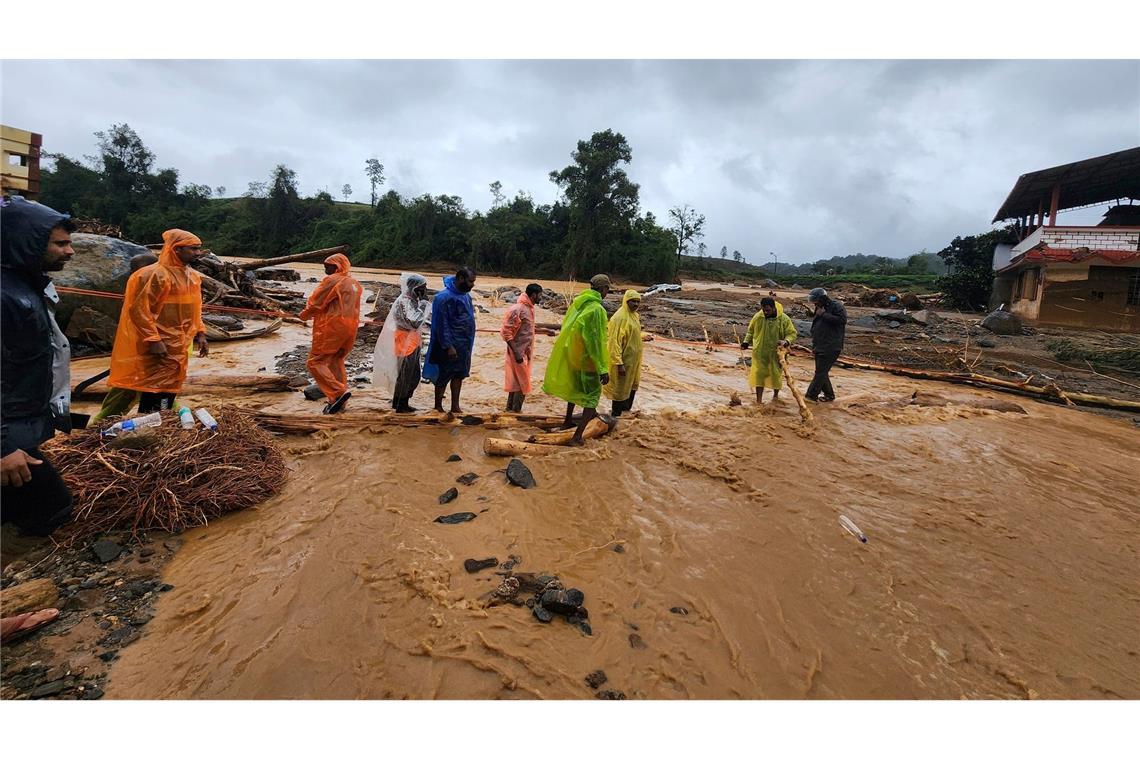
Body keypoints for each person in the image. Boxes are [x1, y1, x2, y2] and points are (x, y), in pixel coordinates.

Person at [1, 196, 77, 536]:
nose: (70, 251)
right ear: (26, 243)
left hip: (19, 427)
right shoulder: (6, 296)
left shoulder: (27, 286)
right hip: (8, 436)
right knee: (52, 507)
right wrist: (3, 448)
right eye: (60, 243)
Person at [106, 229, 208, 415]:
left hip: (178, 345)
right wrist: (153, 339)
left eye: (199, 249)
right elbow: (139, 310)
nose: (198, 253)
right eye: (193, 249)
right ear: (176, 249)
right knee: (146, 389)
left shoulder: (192, 277)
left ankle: (159, 425)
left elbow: (195, 308)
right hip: (154, 346)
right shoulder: (156, 275)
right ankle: (104, 428)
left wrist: (200, 333)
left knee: (168, 389)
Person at [91, 251, 160, 424]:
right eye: (133, 270)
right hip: (135, 357)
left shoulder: (159, 288)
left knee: (157, 394)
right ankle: (90, 430)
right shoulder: (137, 288)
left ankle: (93, 429)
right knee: (124, 396)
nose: (135, 274)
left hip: (151, 356)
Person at [542, 274, 611, 444]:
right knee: (592, 397)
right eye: (607, 289)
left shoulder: (579, 303)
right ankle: (577, 436)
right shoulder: (597, 310)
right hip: (589, 361)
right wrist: (602, 368)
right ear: (603, 289)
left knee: (574, 390)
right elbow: (595, 342)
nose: (607, 292)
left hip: (574, 357)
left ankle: (567, 421)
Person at [300, 253, 362, 414]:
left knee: (315, 362)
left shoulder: (332, 280)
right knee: (336, 360)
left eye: (328, 265)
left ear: (337, 267)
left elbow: (316, 302)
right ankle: (338, 403)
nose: (325, 268)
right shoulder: (355, 283)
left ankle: (338, 392)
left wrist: (303, 315)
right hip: (350, 328)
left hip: (331, 327)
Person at [373, 272, 429, 413]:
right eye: (423, 287)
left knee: (413, 375)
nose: (425, 290)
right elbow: (415, 322)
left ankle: (402, 401)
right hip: (405, 341)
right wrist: (423, 304)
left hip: (411, 340)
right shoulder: (405, 301)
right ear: (415, 288)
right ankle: (400, 404)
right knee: (405, 375)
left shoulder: (410, 300)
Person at [424, 267, 477, 414]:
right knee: (444, 375)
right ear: (460, 278)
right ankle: (438, 406)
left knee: (459, 375)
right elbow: (441, 324)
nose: (473, 285)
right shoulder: (443, 297)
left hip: (464, 344)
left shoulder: (466, 296)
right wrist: (448, 346)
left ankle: (455, 406)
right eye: (470, 281)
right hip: (448, 344)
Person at [741, 296, 797, 404]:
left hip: (776, 354)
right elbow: (751, 331)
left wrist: (786, 342)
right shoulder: (758, 317)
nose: (765, 312)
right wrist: (746, 342)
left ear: (774, 307)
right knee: (759, 376)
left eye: (768, 310)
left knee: (776, 376)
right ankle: (759, 401)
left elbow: (792, 333)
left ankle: (775, 397)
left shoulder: (784, 319)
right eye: (763, 310)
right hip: (760, 353)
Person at [500, 283, 543, 412]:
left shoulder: (529, 309)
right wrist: (517, 353)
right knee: (523, 384)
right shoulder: (518, 309)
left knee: (517, 383)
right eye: (540, 295)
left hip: (524, 352)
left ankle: (510, 411)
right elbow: (506, 332)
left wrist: (544, 330)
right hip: (517, 353)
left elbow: (527, 328)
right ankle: (516, 412)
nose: (541, 297)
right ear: (534, 295)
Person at [602, 289, 644, 416]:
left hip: (634, 360)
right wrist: (619, 363)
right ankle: (616, 414)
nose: (636, 305)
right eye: (633, 301)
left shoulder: (635, 316)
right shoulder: (619, 318)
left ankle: (626, 413)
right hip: (623, 361)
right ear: (626, 301)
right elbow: (614, 342)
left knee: (632, 385)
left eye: (638, 302)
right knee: (620, 388)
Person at [805, 287, 847, 403]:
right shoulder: (819, 307)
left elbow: (842, 320)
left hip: (831, 345)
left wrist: (824, 315)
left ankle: (810, 396)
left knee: (820, 372)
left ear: (822, 298)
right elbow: (818, 325)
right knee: (821, 372)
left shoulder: (837, 306)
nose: (814, 303)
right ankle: (829, 395)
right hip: (820, 344)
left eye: (815, 300)